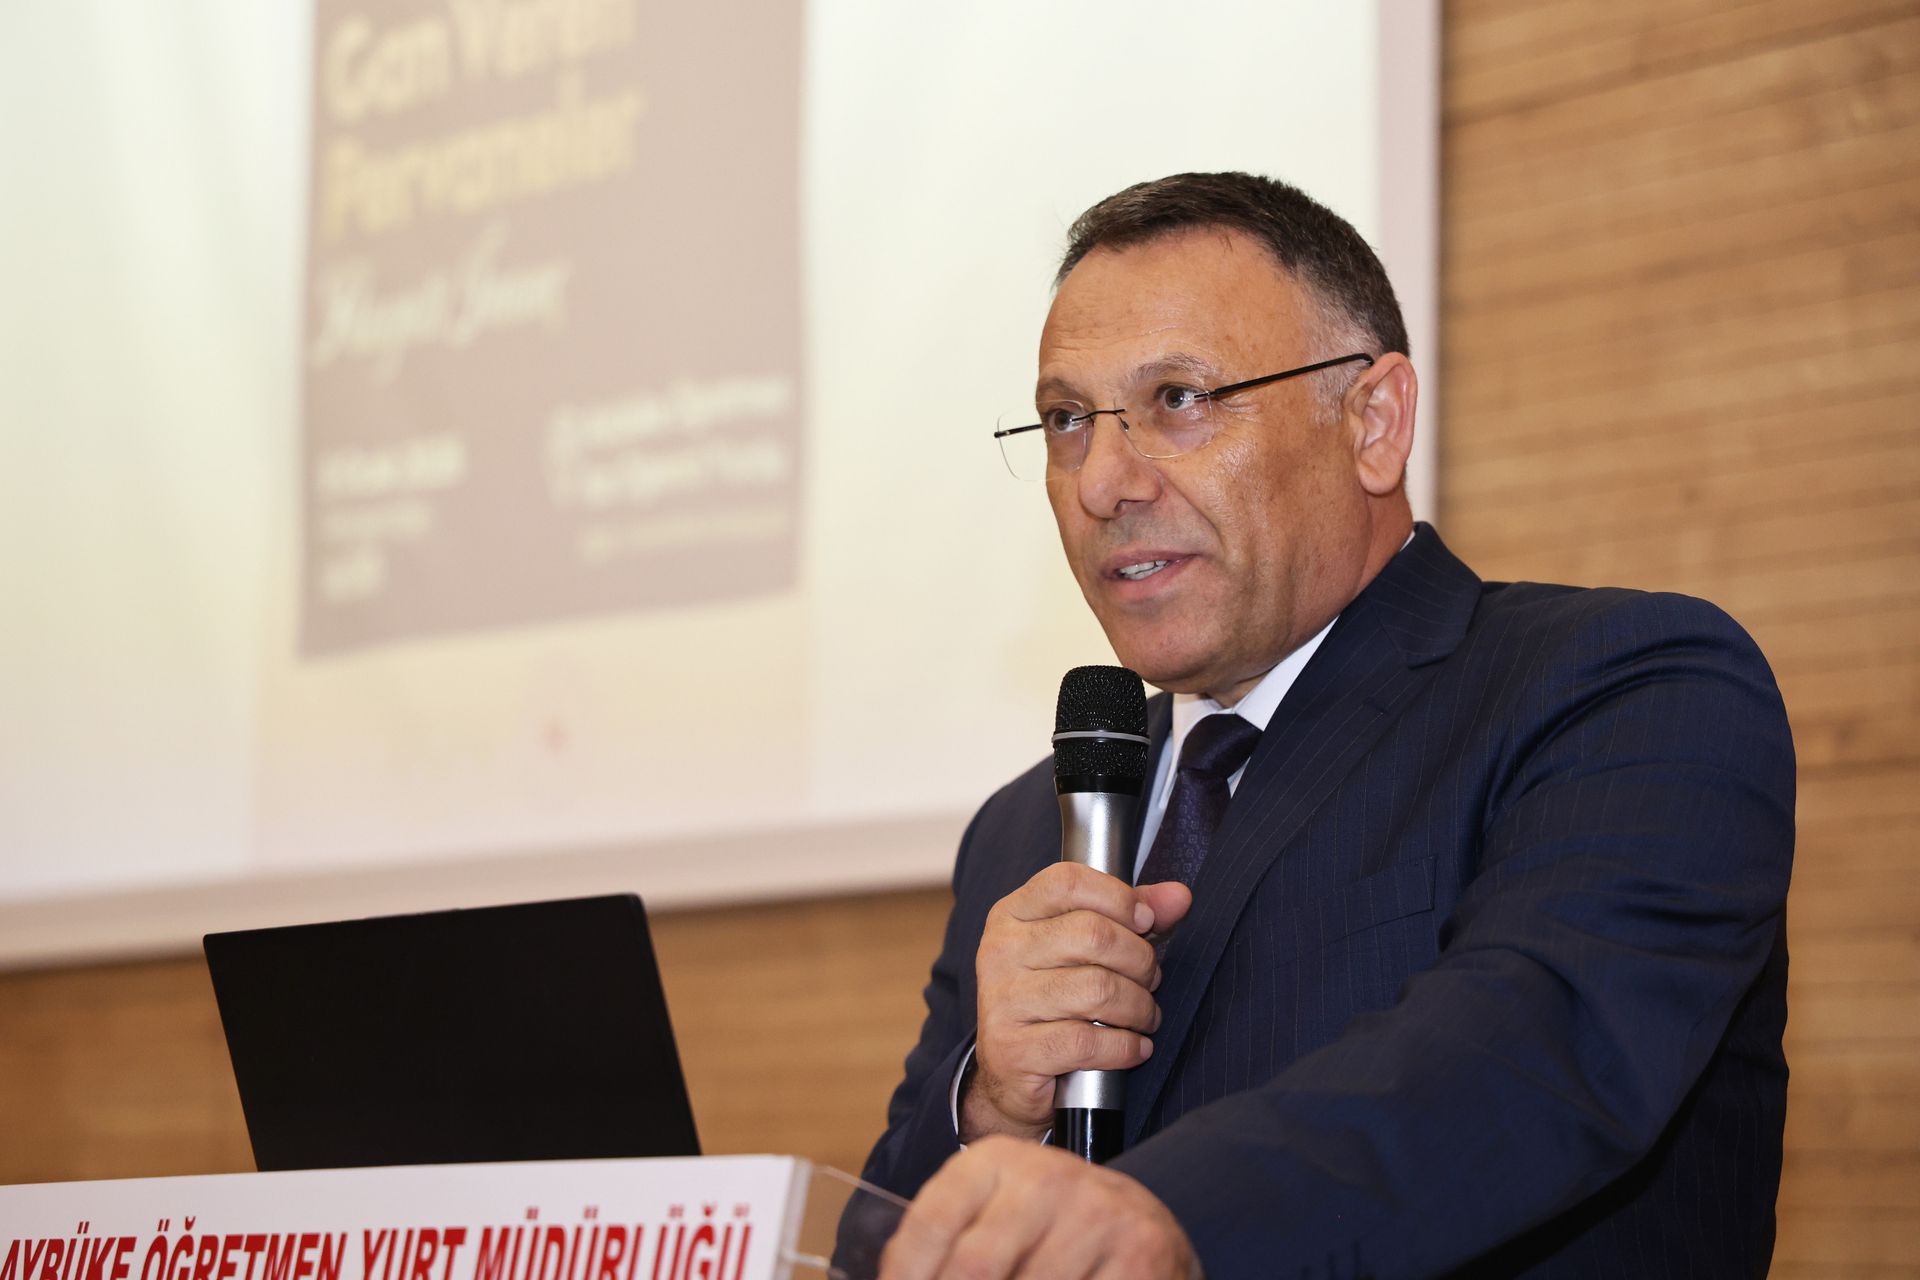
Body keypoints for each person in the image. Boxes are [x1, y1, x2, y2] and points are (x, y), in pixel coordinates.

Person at [860, 172, 1795, 1279]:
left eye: (1179, 398)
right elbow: (870, 1243)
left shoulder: (1621, 692)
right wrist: (989, 1106)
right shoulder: (1023, 832)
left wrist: (1170, 1214)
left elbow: (1525, 1060)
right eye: (1068, 421)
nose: (1103, 481)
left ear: (1374, 422)